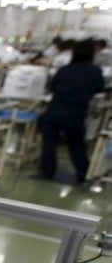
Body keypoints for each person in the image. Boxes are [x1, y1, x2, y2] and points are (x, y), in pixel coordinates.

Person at [37, 40, 105, 183]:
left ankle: (46, 172)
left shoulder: (64, 70)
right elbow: (99, 89)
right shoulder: (95, 72)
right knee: (76, 144)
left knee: (48, 143)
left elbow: (53, 87)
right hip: (76, 112)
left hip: (54, 110)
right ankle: (83, 174)